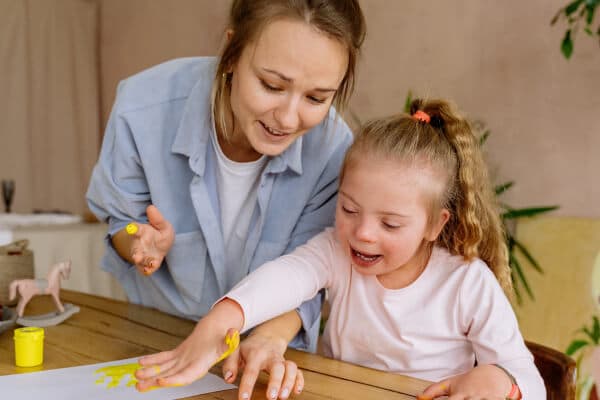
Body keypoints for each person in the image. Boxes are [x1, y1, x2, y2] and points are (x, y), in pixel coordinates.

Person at [134, 99, 547, 399]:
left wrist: (499, 380)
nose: (362, 233)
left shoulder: (465, 282)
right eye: (349, 208)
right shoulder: (336, 251)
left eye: (389, 223)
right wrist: (222, 319)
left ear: (435, 225)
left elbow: (529, 381)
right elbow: (287, 276)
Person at [86, 0, 365, 397]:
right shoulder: (142, 108)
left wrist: (269, 338)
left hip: (263, 361)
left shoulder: (335, 151)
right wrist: (139, 241)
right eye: (271, 85)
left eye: (316, 99)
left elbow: (312, 272)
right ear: (231, 54)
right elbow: (120, 220)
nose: (287, 119)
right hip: (156, 343)